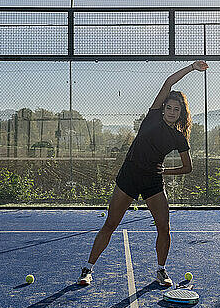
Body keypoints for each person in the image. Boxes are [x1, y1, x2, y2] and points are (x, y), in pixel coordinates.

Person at [77, 60, 209, 286]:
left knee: (164, 228)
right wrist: (191, 68)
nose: (171, 111)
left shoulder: (179, 137)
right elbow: (168, 82)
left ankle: (161, 270)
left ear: (181, 113)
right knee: (110, 224)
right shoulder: (153, 117)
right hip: (129, 176)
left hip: (153, 183)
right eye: (169, 107)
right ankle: (87, 270)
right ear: (163, 107)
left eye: (176, 110)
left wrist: (166, 171)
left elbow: (188, 167)